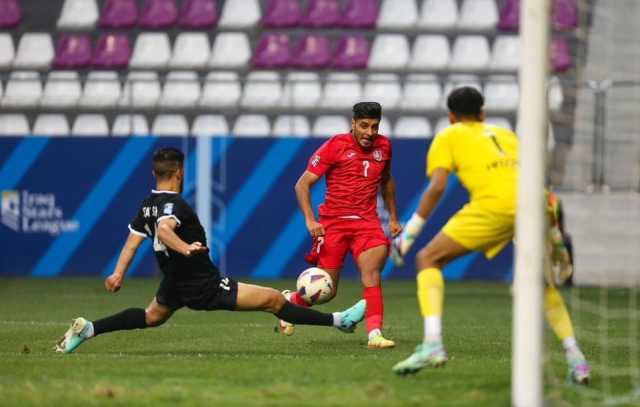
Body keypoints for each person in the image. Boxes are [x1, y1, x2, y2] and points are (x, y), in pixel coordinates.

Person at [55, 147, 366, 354]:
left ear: (155, 174)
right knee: (273, 299)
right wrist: (186, 248)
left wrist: (118, 272)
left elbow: (133, 241)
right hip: (201, 283)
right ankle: (340, 321)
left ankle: (89, 329)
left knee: (151, 316)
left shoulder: (146, 205)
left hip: (175, 281)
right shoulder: (174, 204)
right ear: (179, 173)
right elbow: (165, 229)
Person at [389, 87, 591, 384]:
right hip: (538, 203)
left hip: (497, 206)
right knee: (540, 283)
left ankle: (432, 343)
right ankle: (577, 359)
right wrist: (552, 225)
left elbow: (437, 187)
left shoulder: (449, 135)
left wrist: (409, 234)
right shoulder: (508, 135)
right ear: (483, 113)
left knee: (428, 258)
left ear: (451, 117)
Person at [279, 102, 402, 349]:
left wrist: (394, 216)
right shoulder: (335, 145)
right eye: (364, 126)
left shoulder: (384, 146)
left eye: (375, 126)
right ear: (353, 123)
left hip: (367, 223)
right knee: (327, 291)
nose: (370, 132)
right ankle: (288, 302)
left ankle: (374, 335)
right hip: (333, 224)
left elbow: (386, 181)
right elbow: (302, 184)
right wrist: (310, 220)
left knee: (372, 274)